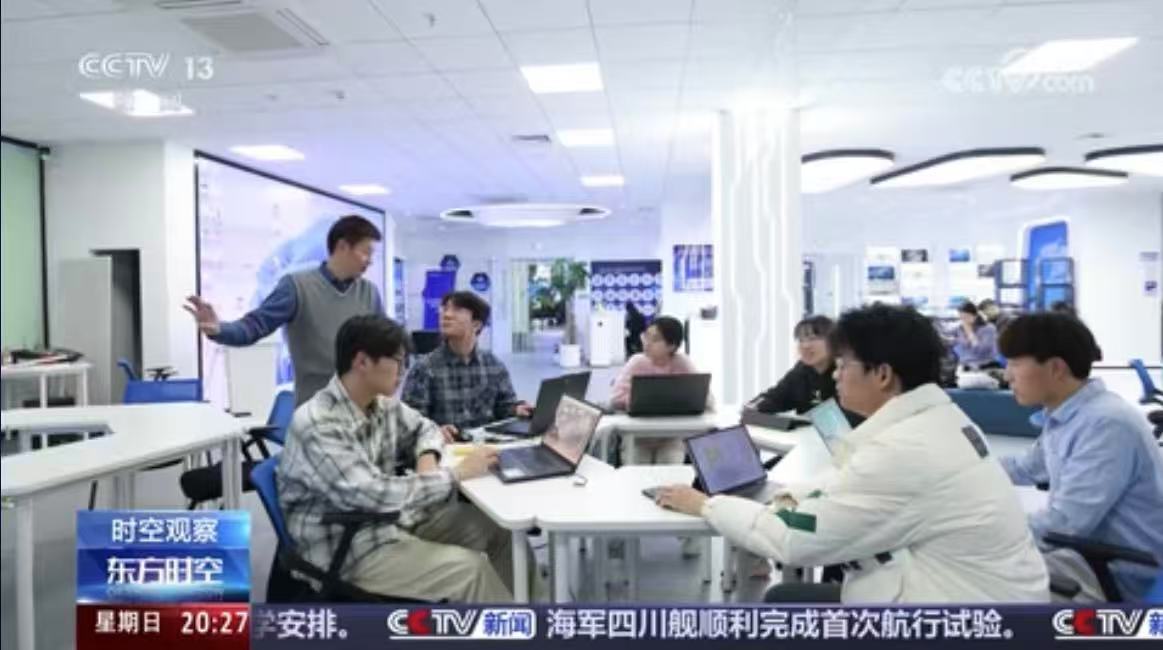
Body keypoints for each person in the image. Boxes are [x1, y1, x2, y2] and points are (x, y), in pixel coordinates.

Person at [653, 303, 1049, 603]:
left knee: (784, 601)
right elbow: (842, 484)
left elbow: (795, 540)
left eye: (843, 365)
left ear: (883, 374)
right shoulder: (939, 420)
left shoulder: (904, 451)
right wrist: (782, 497)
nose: (836, 374)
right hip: (980, 595)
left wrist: (707, 505)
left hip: (953, 612)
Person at [277, 314, 524, 602]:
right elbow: (373, 494)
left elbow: (426, 428)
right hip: (349, 549)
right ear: (362, 362)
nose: (403, 371)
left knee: (498, 531)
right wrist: (454, 475)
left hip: (391, 522)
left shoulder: (380, 405)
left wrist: (427, 457)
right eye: (398, 361)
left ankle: (536, 614)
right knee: (470, 570)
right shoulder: (319, 424)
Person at [998, 313, 1163, 602]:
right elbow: (1026, 467)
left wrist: (988, 535)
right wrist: (967, 469)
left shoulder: (1105, 424)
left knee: (980, 580)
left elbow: (1064, 523)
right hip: (1086, 556)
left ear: (1056, 368)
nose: (1006, 376)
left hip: (1121, 574)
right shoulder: (1069, 415)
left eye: (1014, 363)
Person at [184, 215, 384, 406]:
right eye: (365, 252)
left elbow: (385, 343)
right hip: (316, 412)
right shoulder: (296, 287)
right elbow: (255, 325)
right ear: (342, 247)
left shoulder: (369, 293)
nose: (369, 260)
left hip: (363, 409)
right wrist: (219, 329)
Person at [402, 291, 531, 442]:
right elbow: (410, 422)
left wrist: (517, 409)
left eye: (457, 310)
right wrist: (434, 432)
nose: (446, 315)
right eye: (445, 308)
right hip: (446, 449)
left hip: (487, 447)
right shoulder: (425, 368)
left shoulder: (494, 365)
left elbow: (504, 406)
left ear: (476, 324)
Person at [749, 315, 860, 426]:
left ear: (833, 341)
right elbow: (776, 397)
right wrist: (754, 406)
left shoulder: (847, 372)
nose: (805, 346)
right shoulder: (800, 371)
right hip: (807, 435)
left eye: (813, 339)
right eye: (801, 340)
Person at [952, 301, 999, 369]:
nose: (964, 321)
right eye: (961, 318)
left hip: (985, 364)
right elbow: (962, 345)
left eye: (966, 317)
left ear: (975, 316)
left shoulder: (988, 329)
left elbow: (980, 352)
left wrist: (970, 332)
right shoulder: (961, 328)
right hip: (966, 363)